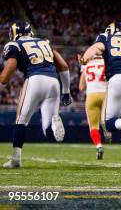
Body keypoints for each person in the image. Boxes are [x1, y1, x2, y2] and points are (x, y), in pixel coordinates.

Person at [1, 21, 72, 168]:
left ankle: (16, 159)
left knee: (21, 120)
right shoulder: (44, 42)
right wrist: (66, 92)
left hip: (35, 79)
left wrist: (3, 80)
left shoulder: (14, 45)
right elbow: (64, 66)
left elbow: (6, 75)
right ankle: (53, 126)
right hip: (54, 82)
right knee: (47, 130)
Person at [82, 22, 121, 170]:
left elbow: (95, 48)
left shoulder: (105, 38)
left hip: (117, 78)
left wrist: (84, 58)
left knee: (107, 122)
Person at [78, 55, 107, 159]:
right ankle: (107, 131)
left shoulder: (87, 65)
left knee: (94, 126)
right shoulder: (108, 62)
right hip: (106, 95)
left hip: (92, 96)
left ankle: (99, 145)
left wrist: (83, 67)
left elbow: (81, 87)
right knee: (110, 120)